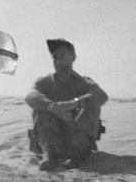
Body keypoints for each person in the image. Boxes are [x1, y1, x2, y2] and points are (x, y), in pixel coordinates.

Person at [25, 38, 108, 171]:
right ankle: (49, 155)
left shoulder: (84, 82)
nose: (58, 60)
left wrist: (73, 104)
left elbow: (102, 96)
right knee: (40, 107)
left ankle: (76, 155)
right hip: (54, 138)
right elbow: (30, 96)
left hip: (79, 138)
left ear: (73, 57)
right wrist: (52, 107)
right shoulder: (45, 82)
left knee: (91, 106)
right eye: (55, 56)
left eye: (62, 55)